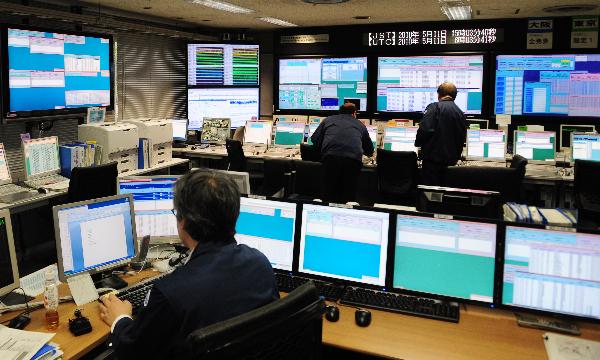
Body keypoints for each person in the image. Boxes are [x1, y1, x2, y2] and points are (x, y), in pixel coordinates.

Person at [98, 171, 279, 359]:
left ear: (183, 222)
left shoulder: (170, 293)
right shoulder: (260, 263)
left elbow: (133, 352)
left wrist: (120, 319)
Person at [311, 102, 374, 203]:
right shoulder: (360, 124)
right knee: (348, 195)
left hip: (330, 160)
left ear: (339, 112)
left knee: (328, 194)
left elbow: (314, 140)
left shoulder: (328, 120)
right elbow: (370, 150)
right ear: (354, 113)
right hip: (352, 162)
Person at [415, 82, 467, 186]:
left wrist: (418, 143)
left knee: (430, 194)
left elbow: (424, 130)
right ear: (454, 96)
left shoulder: (434, 108)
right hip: (451, 164)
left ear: (439, 94)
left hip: (432, 164)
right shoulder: (460, 113)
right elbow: (462, 138)